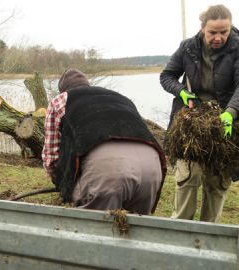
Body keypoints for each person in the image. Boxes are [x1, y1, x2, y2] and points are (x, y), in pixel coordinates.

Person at [42, 69, 166, 214]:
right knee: (138, 231)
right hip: (151, 169)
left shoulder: (61, 100)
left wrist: (62, 183)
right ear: (88, 85)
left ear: (62, 90)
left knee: (96, 232)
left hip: (108, 172)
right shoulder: (121, 98)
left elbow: (51, 157)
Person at [160, 4, 239, 222]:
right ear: (203, 28)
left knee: (216, 182)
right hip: (190, 122)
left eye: (224, 32)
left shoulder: (237, 48)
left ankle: (209, 235)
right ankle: (180, 233)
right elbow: (166, 77)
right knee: (188, 177)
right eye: (213, 32)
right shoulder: (188, 47)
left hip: (224, 122)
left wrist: (231, 112)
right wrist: (182, 92)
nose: (218, 37)